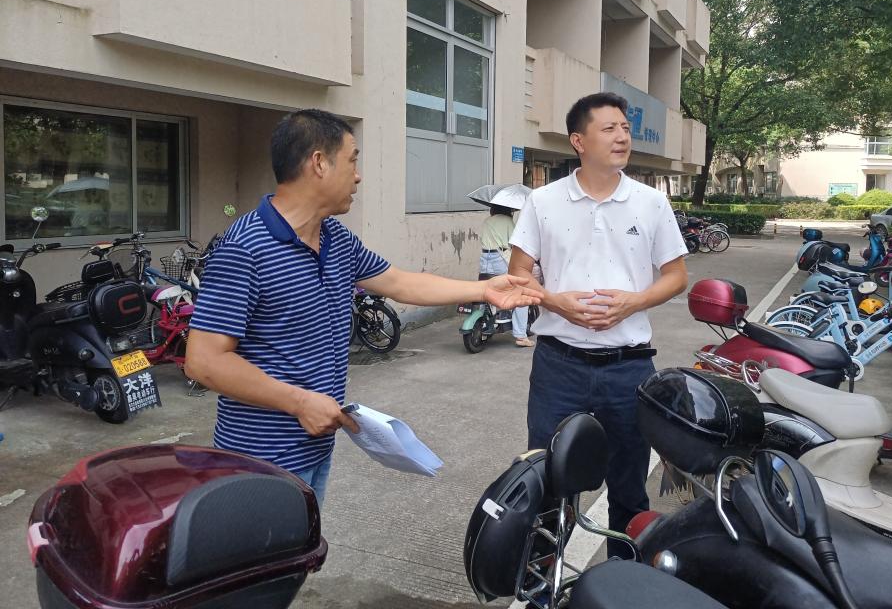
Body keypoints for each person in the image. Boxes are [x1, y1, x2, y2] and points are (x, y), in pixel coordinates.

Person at [185, 109, 542, 506]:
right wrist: (299, 402)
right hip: (260, 459)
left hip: (316, 448)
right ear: (319, 163)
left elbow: (400, 283)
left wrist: (485, 289)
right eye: (352, 161)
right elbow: (204, 361)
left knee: (303, 544)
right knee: (267, 547)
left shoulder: (335, 238)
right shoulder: (245, 248)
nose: (358, 176)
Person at [508, 92, 688, 558]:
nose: (622, 136)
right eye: (609, 128)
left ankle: (622, 579)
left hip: (630, 368)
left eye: (625, 128)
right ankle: (540, 581)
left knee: (629, 488)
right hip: (559, 368)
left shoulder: (651, 203)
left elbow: (676, 276)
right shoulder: (543, 201)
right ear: (578, 141)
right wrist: (555, 301)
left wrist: (634, 302)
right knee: (547, 480)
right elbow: (518, 274)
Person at [480, 203, 533, 347]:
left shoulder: (487, 221)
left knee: (485, 291)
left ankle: (487, 321)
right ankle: (521, 336)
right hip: (500, 260)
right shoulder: (508, 221)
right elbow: (515, 243)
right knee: (520, 295)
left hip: (485, 260)